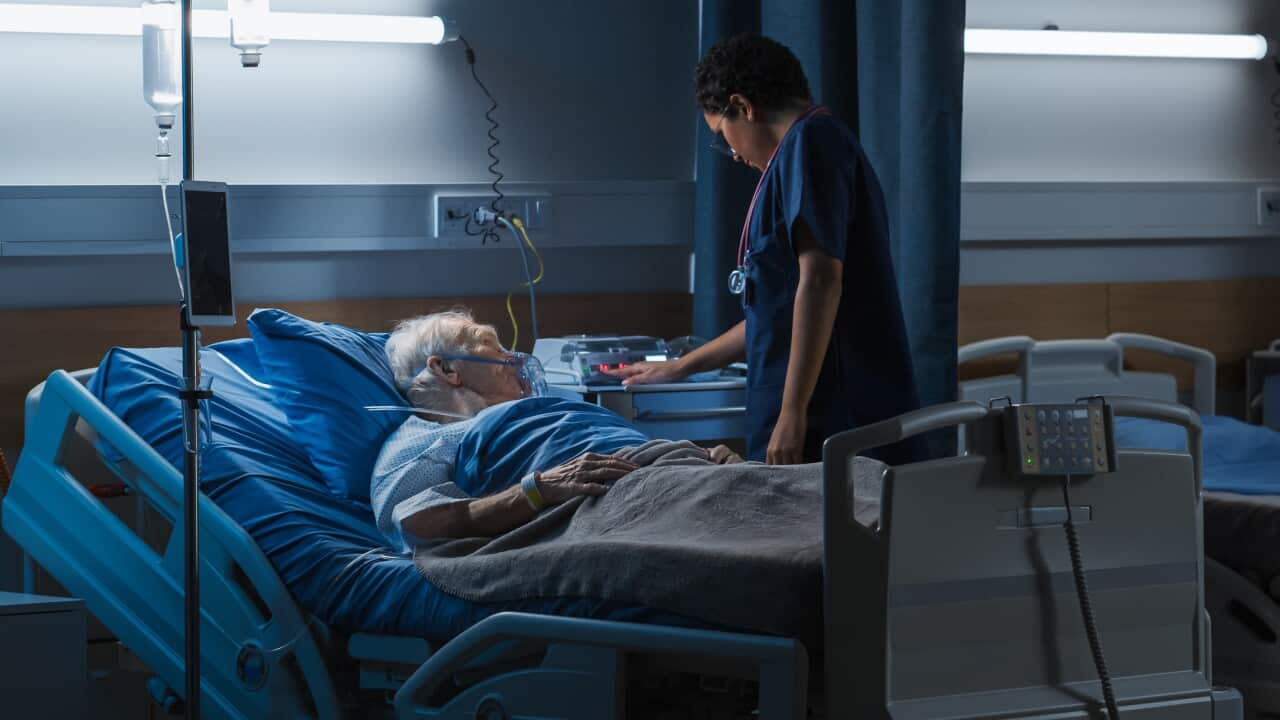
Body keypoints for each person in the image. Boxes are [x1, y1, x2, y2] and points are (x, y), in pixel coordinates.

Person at [609, 33, 924, 466]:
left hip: (830, 411)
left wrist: (791, 412)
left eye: (724, 133)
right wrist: (681, 366)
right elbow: (775, 312)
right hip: (809, 406)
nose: (733, 154)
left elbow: (819, 281)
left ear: (743, 107)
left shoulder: (811, 142)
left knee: (829, 527)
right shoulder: (798, 155)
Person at [371, 310, 741, 548]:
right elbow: (414, 522)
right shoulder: (424, 436)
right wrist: (537, 490)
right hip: (625, 501)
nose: (514, 358)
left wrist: (703, 457)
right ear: (447, 370)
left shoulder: (554, 406)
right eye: (492, 347)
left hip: (678, 471)